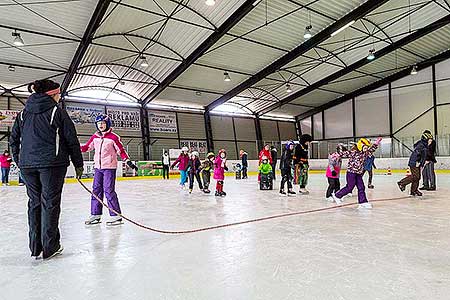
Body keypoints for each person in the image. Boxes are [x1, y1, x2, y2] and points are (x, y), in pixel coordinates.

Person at [9, 79, 84, 260]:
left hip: (28, 166)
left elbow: (13, 140)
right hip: (52, 165)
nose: (60, 97)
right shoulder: (58, 112)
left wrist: (20, 162)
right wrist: (78, 163)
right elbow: (71, 140)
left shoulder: (23, 114)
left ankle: (35, 248)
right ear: (52, 94)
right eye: (59, 94)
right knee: (49, 204)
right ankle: (50, 247)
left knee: (35, 203)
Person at [81, 114, 138, 226]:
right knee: (96, 190)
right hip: (98, 167)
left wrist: (127, 160)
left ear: (107, 124)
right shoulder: (95, 137)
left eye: (103, 123)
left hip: (109, 168)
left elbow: (120, 150)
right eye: (98, 123)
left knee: (108, 190)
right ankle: (95, 214)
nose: (100, 125)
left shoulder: (113, 137)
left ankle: (115, 216)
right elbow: (87, 147)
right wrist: (73, 148)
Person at [332, 137, 382, 209]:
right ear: (360, 146)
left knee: (361, 187)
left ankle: (363, 202)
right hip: (351, 173)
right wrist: (337, 155)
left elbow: (372, 149)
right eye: (365, 147)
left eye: (367, 147)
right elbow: (345, 153)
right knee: (350, 187)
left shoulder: (366, 153)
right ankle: (337, 195)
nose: (366, 149)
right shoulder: (354, 152)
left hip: (358, 173)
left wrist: (377, 142)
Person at [398, 132, 431, 197]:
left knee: (417, 177)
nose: (430, 141)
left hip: (417, 163)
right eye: (430, 140)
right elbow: (416, 154)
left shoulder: (423, 145)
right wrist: (417, 162)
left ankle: (414, 190)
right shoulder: (421, 146)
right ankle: (402, 183)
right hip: (415, 163)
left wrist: (423, 162)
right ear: (426, 139)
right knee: (415, 176)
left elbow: (423, 156)